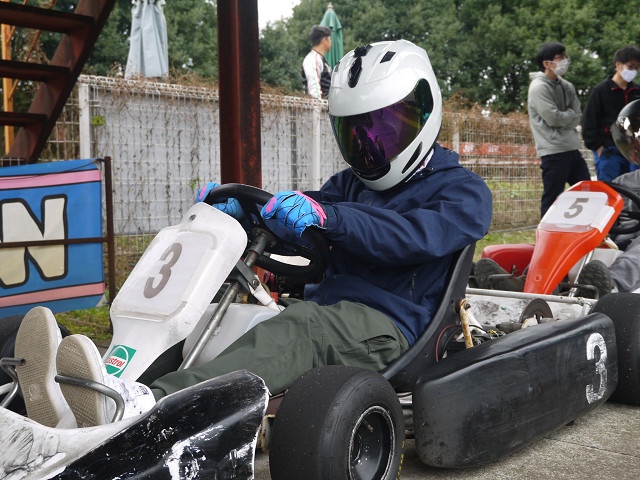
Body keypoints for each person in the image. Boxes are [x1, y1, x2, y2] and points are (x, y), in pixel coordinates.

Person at [16, 40, 493, 427]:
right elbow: (309, 209)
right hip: (326, 314)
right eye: (355, 132)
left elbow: (410, 235)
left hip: (390, 328)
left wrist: (331, 218)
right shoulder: (350, 185)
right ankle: (96, 390)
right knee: (207, 316)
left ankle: (147, 406)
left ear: (424, 113)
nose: (368, 144)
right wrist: (246, 212)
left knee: (301, 329)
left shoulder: (463, 193)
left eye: (383, 129)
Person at [528, 41, 591, 218]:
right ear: (546, 63)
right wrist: (569, 116)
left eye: (565, 57)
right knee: (552, 197)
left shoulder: (566, 86)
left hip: (572, 148)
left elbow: (577, 113)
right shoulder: (538, 87)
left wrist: (568, 117)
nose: (564, 61)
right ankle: (545, 232)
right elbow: (553, 118)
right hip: (553, 151)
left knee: (588, 191)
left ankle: (585, 227)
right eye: (559, 58)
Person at [582, 45, 640, 181]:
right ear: (618, 65)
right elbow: (589, 123)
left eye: (636, 68)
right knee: (610, 189)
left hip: (634, 153)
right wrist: (598, 147)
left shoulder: (637, 91)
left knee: (635, 188)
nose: (633, 71)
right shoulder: (600, 91)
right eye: (630, 66)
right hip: (609, 151)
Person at [301, 25, 332, 99]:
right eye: (330, 39)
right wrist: (318, 105)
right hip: (320, 105)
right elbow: (314, 90)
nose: (331, 42)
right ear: (324, 40)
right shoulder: (312, 59)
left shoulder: (320, 58)